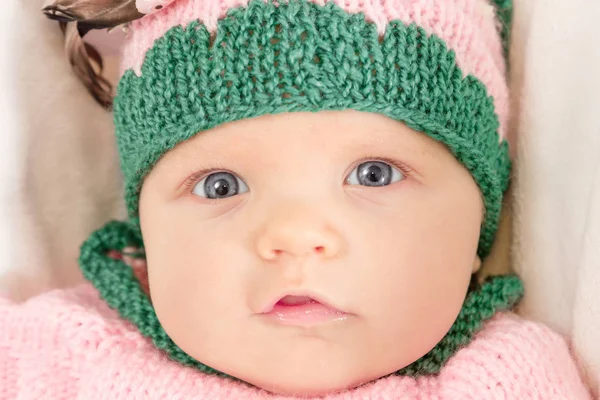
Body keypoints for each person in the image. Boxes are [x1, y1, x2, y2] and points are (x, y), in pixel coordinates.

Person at [0, 0, 592, 397]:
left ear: (476, 235)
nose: (293, 234)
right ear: (147, 239)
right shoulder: (63, 351)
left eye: (375, 174)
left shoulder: (503, 379)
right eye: (220, 186)